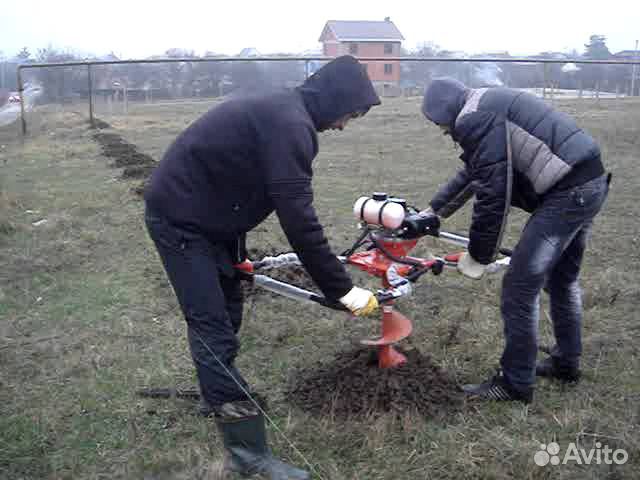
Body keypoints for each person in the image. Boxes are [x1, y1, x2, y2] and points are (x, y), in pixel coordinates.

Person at [143, 55, 381, 479]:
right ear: (335, 100)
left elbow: (239, 183)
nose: (344, 125)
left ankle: (217, 394)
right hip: (180, 219)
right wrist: (341, 289)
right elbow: (298, 219)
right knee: (210, 324)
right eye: (349, 115)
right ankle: (246, 457)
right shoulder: (291, 125)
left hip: (211, 216)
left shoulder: (285, 111)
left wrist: (236, 252)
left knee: (230, 302)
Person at [421, 78, 610, 404]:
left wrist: (479, 255)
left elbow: (493, 191)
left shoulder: (471, 118)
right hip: (589, 181)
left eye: (441, 125)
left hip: (567, 193)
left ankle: (515, 382)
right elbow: (477, 171)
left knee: (519, 288)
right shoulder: (484, 103)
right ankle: (566, 363)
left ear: (446, 111)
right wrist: (433, 211)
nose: (444, 132)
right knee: (562, 280)